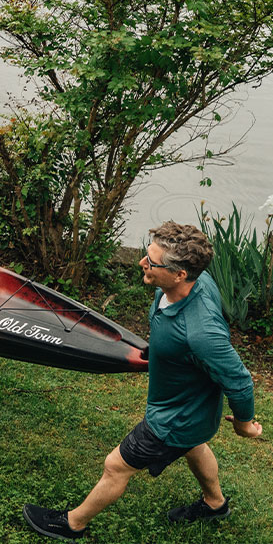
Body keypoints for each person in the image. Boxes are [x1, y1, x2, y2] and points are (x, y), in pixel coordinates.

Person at [23, 221, 262, 541]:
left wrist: (244, 425)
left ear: (179, 274)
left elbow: (240, 380)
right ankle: (215, 504)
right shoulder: (193, 280)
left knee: (115, 466)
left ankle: (71, 524)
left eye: (152, 262)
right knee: (194, 445)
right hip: (190, 413)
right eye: (146, 255)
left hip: (172, 419)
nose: (142, 263)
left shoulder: (202, 332)